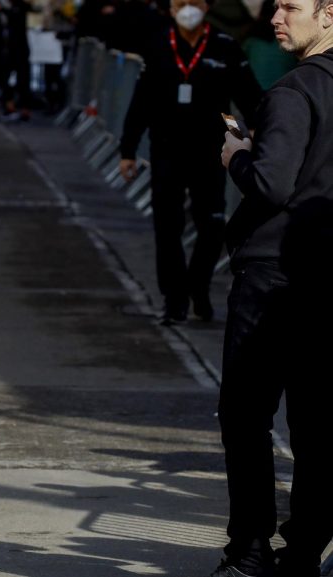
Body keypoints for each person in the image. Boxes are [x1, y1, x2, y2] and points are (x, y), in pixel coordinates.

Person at [215, 0, 333, 572]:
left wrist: (238, 157)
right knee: (315, 422)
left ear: (329, 13)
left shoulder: (293, 91)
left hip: (273, 278)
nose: (276, 18)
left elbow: (269, 184)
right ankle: (306, 547)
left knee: (246, 416)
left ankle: (251, 549)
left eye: (289, 6)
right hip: (326, 278)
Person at [119, 0, 262, 324]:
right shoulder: (157, 45)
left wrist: (250, 133)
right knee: (167, 227)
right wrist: (127, 150)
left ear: (206, 6)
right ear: (170, 9)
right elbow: (141, 102)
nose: (187, 8)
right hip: (166, 149)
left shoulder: (224, 46)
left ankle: (199, 287)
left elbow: (246, 99)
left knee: (211, 226)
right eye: (179, 3)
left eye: (193, 2)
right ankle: (174, 298)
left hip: (211, 150)